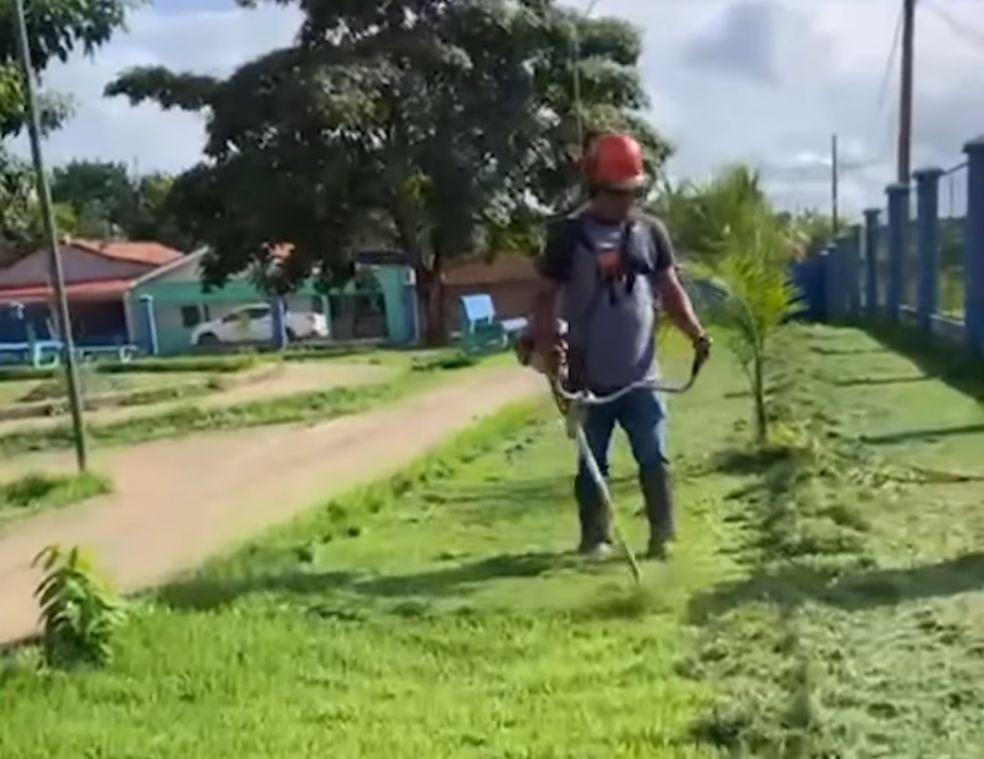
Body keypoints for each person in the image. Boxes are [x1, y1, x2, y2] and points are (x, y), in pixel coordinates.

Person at [525, 133, 711, 561]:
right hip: (588, 375)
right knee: (594, 463)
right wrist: (548, 344)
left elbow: (670, 289)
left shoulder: (651, 233)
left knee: (654, 454)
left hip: (641, 376)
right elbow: (544, 297)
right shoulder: (567, 236)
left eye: (631, 192)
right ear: (594, 188)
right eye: (615, 193)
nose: (624, 202)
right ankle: (596, 539)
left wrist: (696, 334)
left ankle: (662, 536)